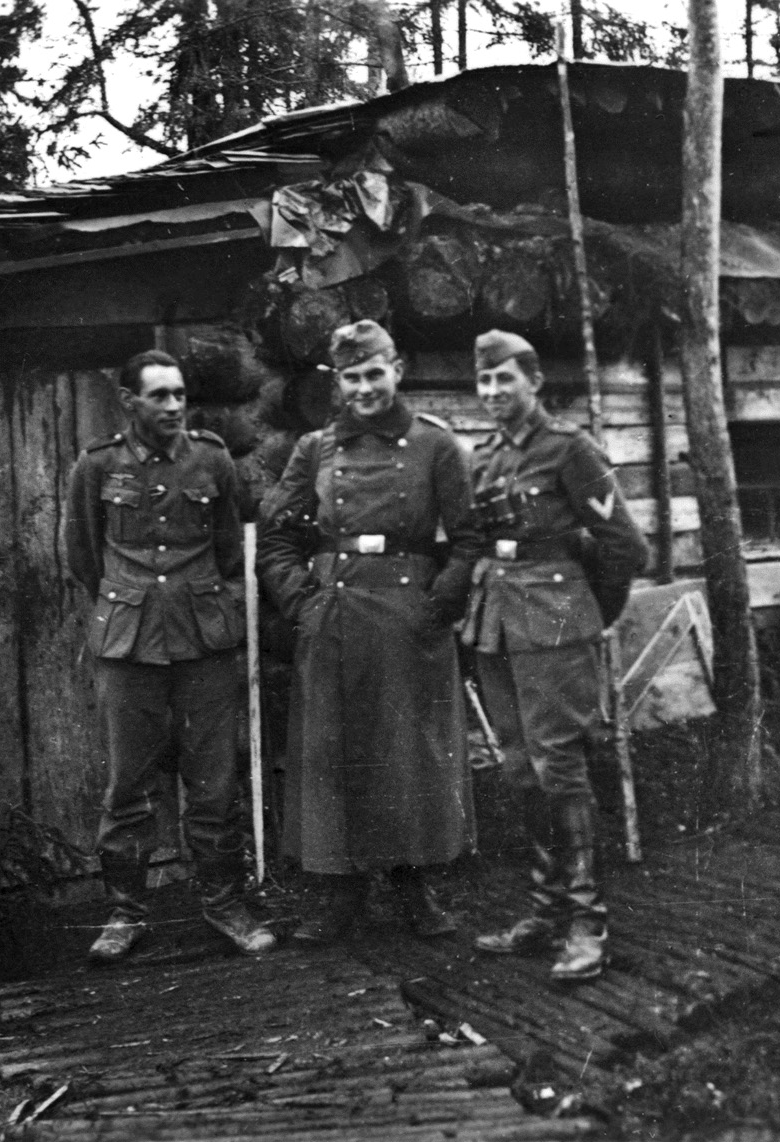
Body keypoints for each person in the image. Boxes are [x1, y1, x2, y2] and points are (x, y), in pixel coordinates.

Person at [255, 320, 484, 940]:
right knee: (334, 754)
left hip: (409, 616)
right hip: (334, 615)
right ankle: (339, 895)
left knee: (408, 756)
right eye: (352, 377)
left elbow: (467, 540)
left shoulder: (437, 446)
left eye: (375, 373)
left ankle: (416, 891)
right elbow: (276, 533)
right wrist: (302, 602)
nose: (365, 388)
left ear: (398, 368)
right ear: (338, 381)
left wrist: (439, 604)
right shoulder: (316, 450)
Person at [63, 349, 277, 962]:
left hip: (203, 642)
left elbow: (231, 553)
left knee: (213, 781)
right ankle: (126, 912)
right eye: (159, 396)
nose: (174, 406)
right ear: (128, 401)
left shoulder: (211, 459)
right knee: (128, 784)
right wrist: (126, 606)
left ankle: (224, 904)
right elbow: (82, 555)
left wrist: (214, 609)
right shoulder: (96, 465)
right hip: (128, 645)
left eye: (179, 394)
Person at [465, 330, 648, 982]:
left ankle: (585, 922)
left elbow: (625, 546)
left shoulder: (571, 450)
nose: (492, 394)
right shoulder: (484, 456)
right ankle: (545, 911)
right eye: (483, 382)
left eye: (504, 381)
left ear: (534, 382)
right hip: (498, 627)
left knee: (561, 771)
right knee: (520, 771)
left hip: (555, 625)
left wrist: (583, 614)